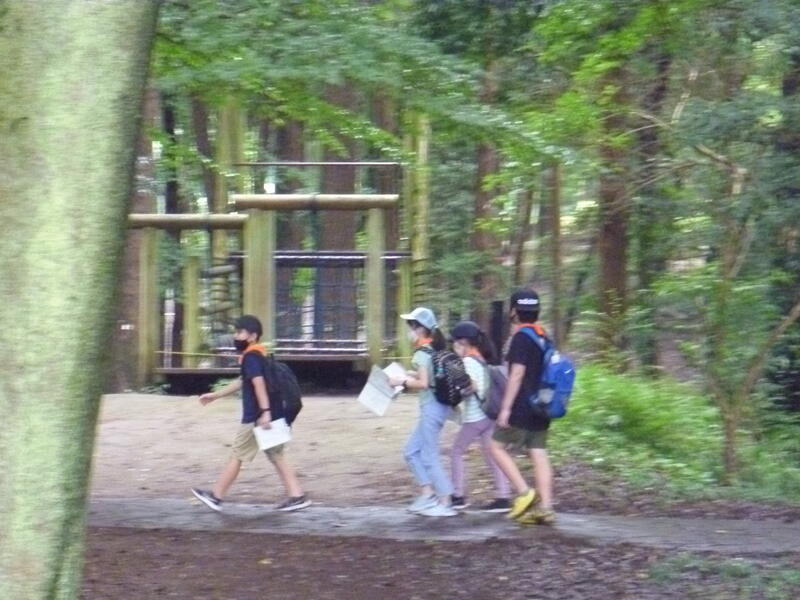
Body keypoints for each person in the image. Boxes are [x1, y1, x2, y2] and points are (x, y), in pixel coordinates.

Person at [191, 315, 310, 513]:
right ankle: (297, 495)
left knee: (238, 454)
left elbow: (258, 383)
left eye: (240, 332)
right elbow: (243, 381)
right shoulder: (259, 354)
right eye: (236, 332)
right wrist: (216, 395)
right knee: (277, 455)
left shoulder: (251, 357)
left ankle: (216, 496)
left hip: (256, 417)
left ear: (252, 335)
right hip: (271, 414)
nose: (236, 336)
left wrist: (264, 413)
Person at [488, 290, 556, 525]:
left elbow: (517, 374)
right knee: (538, 451)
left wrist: (505, 409)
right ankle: (546, 508)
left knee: (496, 446)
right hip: (543, 405)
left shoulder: (521, 338)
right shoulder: (544, 336)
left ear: (514, 311)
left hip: (522, 406)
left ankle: (524, 492)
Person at [388, 307, 457, 517]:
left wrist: (401, 381)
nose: (409, 330)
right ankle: (428, 494)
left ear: (421, 329)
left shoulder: (421, 353)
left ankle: (445, 501)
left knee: (428, 455)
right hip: (438, 407)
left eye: (412, 326)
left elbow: (424, 383)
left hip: (431, 408)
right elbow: (430, 377)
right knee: (411, 451)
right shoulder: (433, 349)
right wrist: (411, 374)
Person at [448, 321, 512, 513]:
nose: (454, 345)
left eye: (455, 342)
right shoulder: (481, 359)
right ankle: (503, 496)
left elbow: (470, 386)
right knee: (491, 453)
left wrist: (458, 392)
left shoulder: (467, 362)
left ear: (463, 342)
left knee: (457, 451)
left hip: (475, 417)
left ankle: (458, 495)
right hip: (489, 415)